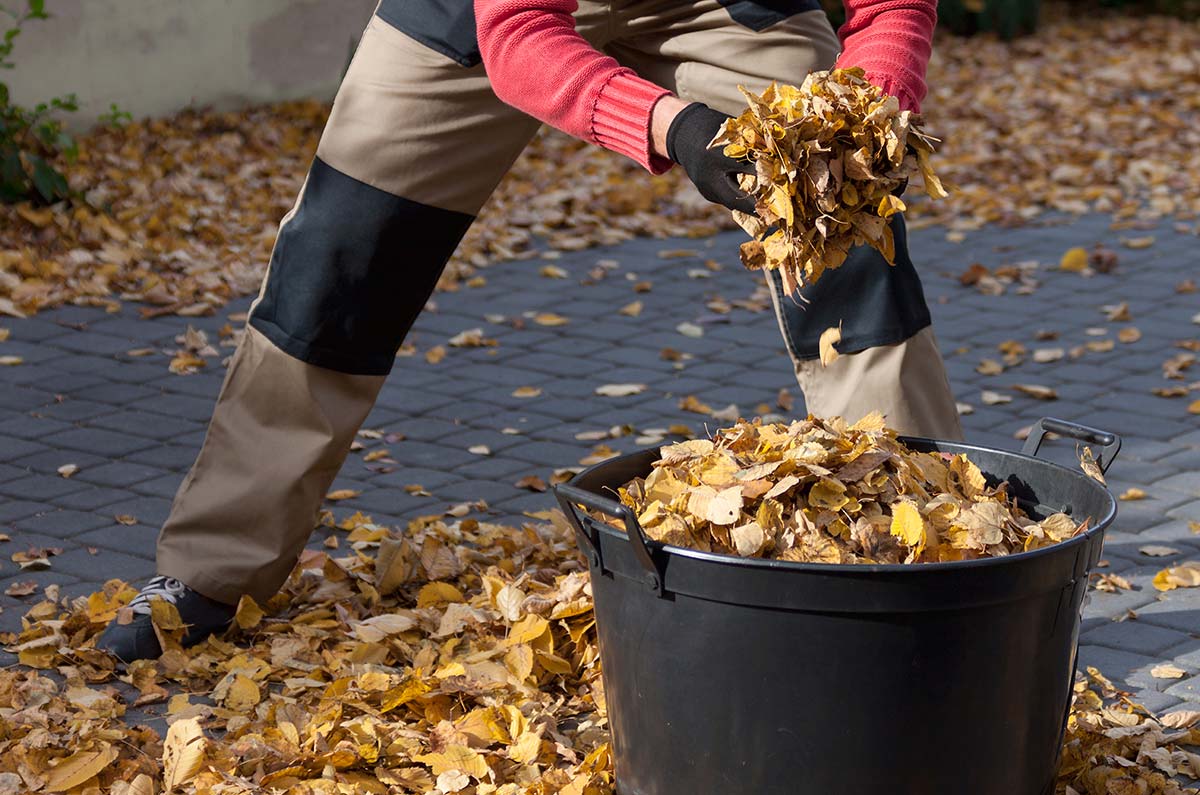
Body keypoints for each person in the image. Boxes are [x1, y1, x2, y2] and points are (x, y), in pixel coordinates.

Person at [98, 0, 960, 661]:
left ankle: (938, 563)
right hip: (487, 16)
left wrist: (862, 119)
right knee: (338, 252)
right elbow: (517, 33)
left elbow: (891, 8)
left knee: (846, 232)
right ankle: (214, 568)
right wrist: (679, 129)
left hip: (723, 5)